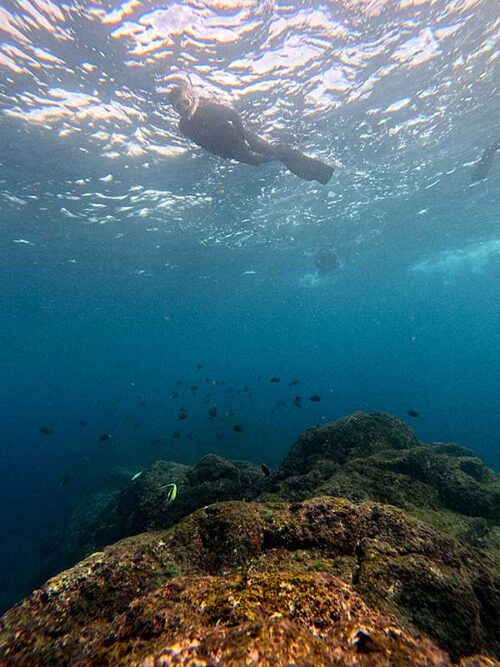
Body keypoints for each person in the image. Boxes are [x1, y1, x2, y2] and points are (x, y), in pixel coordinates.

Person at [169, 80, 334, 185]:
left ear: (191, 99)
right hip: (234, 152)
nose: (184, 108)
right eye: (179, 106)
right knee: (270, 159)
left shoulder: (208, 109)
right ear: (175, 110)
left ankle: (320, 172)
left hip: (244, 138)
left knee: (276, 152)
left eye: (185, 102)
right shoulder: (184, 127)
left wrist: (242, 139)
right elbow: (203, 144)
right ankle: (315, 173)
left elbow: (233, 115)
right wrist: (223, 155)